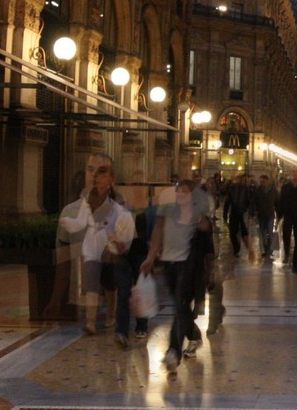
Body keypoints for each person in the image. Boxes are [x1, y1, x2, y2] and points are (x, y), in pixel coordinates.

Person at [57, 153, 137, 343]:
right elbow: (69, 236)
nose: (94, 176)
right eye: (90, 170)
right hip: (91, 248)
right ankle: (90, 321)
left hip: (110, 248)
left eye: (102, 172)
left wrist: (117, 244)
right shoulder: (75, 207)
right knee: (91, 281)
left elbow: (126, 231)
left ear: (111, 179)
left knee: (110, 283)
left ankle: (110, 314)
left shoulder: (119, 206)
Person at [145, 173, 215, 372]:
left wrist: (211, 272)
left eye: (184, 191)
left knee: (179, 305)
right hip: (169, 264)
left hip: (189, 267)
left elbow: (209, 248)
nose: (179, 194)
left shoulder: (199, 217)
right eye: (178, 190)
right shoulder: (168, 210)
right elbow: (157, 232)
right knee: (180, 306)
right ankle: (193, 335)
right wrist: (151, 257)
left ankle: (173, 351)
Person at [254, 173, 278, 261]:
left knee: (270, 232)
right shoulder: (258, 190)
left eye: (263, 181)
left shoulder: (273, 191)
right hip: (261, 215)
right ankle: (265, 248)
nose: (262, 183)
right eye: (261, 182)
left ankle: (269, 248)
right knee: (263, 233)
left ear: (267, 181)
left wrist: (278, 213)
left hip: (270, 214)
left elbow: (277, 202)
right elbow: (254, 202)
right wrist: (254, 211)